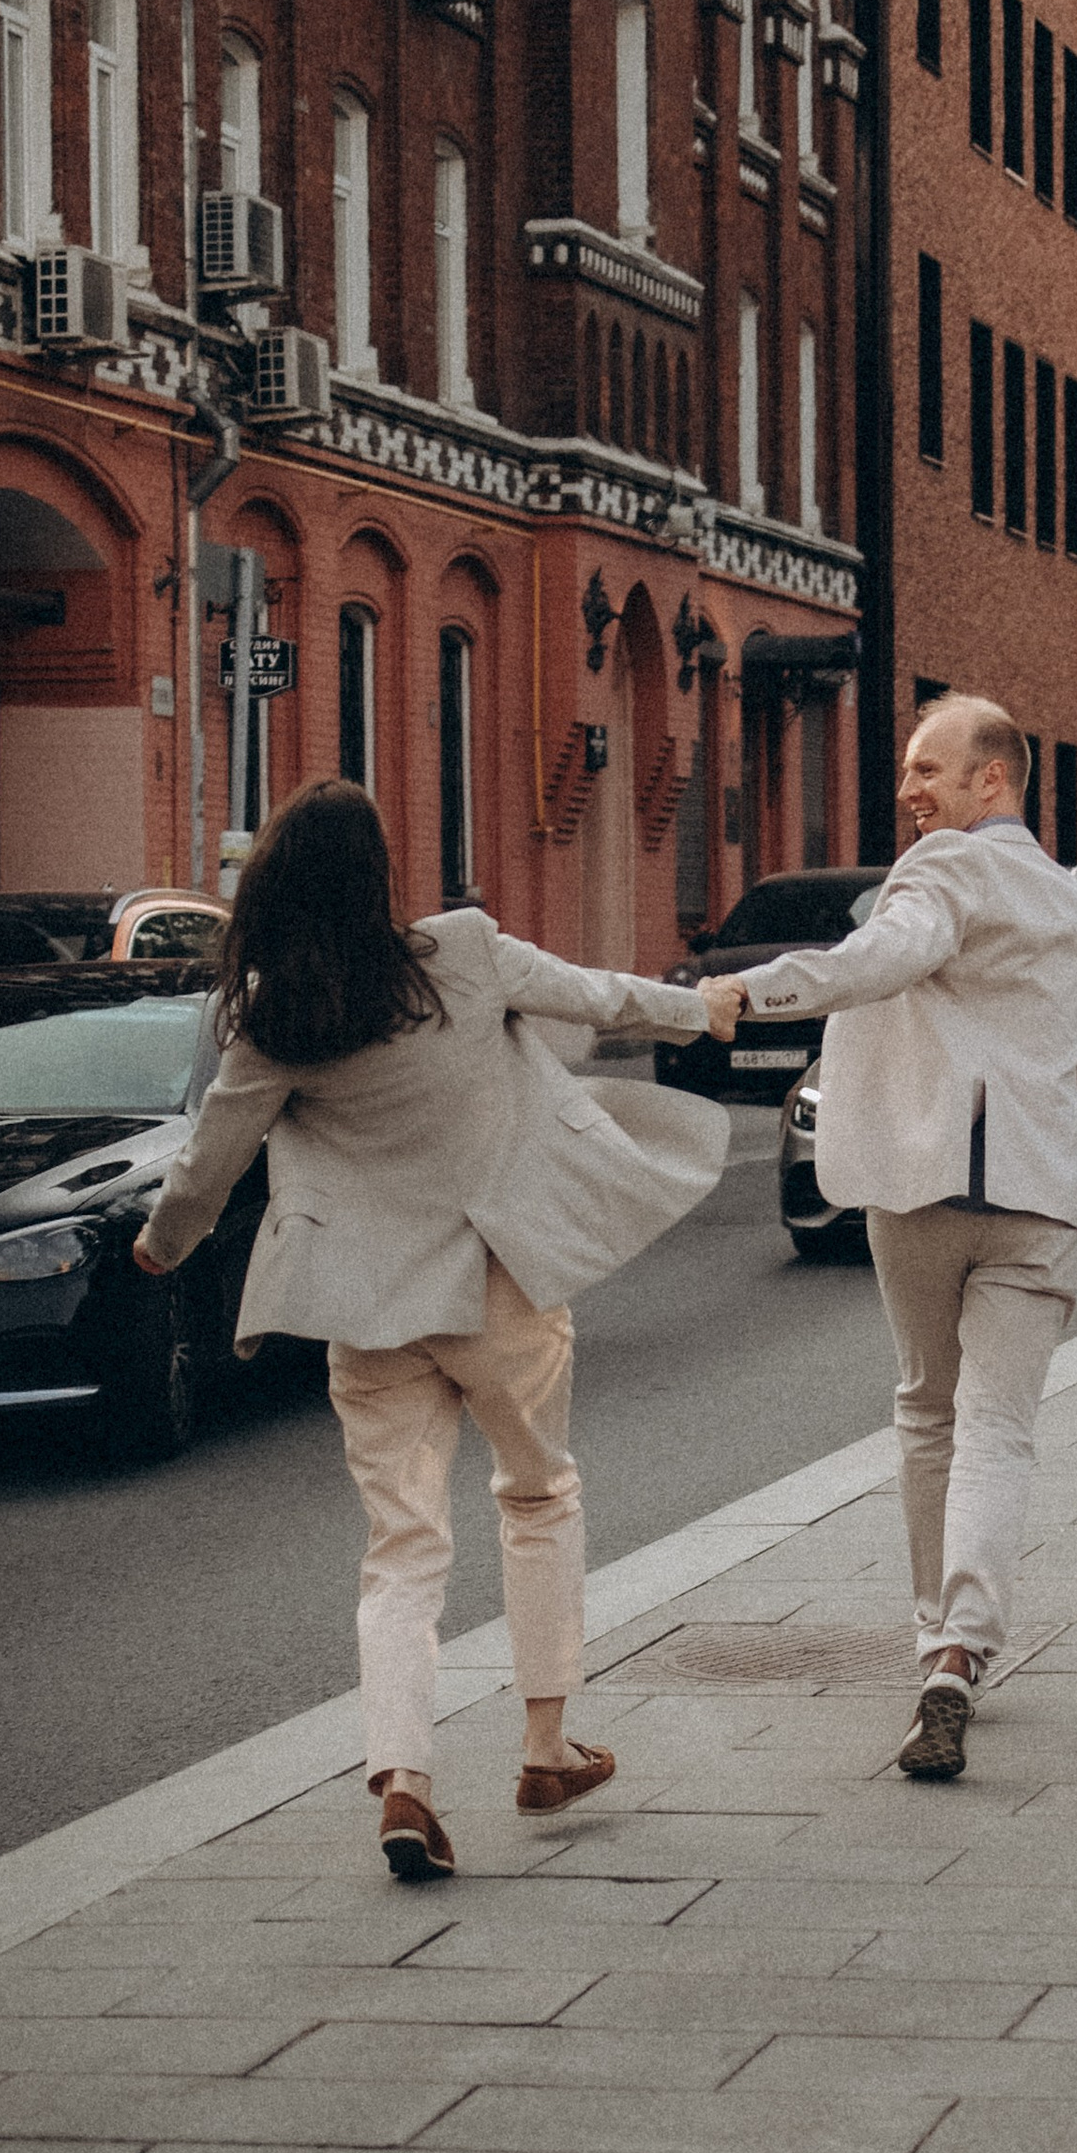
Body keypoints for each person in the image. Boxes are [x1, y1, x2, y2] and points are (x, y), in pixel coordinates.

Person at [134, 780, 744, 1878]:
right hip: (500, 1285)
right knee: (538, 1492)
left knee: (402, 1547)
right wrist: (702, 1008)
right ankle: (546, 1744)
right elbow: (600, 996)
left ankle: (404, 1780)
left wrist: (162, 1245)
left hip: (369, 1316)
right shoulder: (458, 953)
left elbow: (208, 1165)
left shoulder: (269, 1017)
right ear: (377, 876)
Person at [725, 694, 1077, 1785]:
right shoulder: (1074, 902)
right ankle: (962, 1653)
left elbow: (880, 960)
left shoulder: (941, 872)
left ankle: (928, 1642)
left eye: (928, 771)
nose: (910, 792)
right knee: (1000, 1432)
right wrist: (1012, 1057)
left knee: (926, 1412)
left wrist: (747, 991)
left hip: (926, 1185)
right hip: (1040, 1193)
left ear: (993, 780)